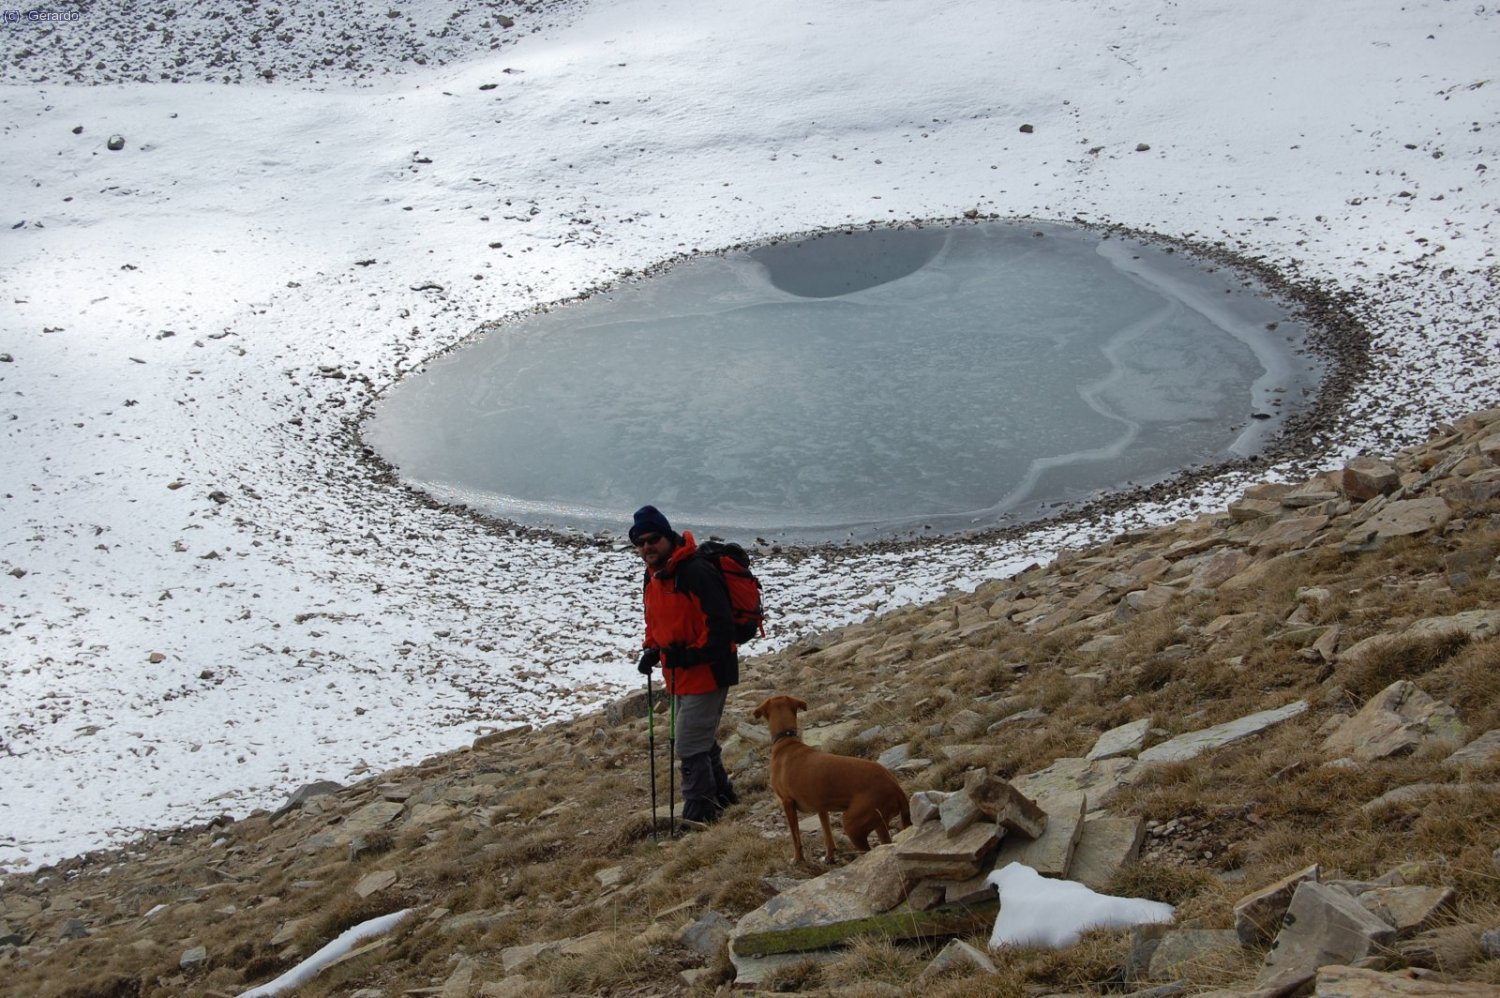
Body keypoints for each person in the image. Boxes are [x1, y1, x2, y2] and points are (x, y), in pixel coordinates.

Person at [630, 504, 740, 824]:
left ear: (668, 537)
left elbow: (721, 631)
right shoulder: (653, 576)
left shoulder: (695, 572)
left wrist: (686, 656)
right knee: (697, 738)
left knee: (689, 744)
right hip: (679, 673)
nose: (647, 547)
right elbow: (656, 621)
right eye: (640, 543)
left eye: (653, 539)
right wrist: (652, 650)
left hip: (708, 672)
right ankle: (723, 796)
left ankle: (700, 814)